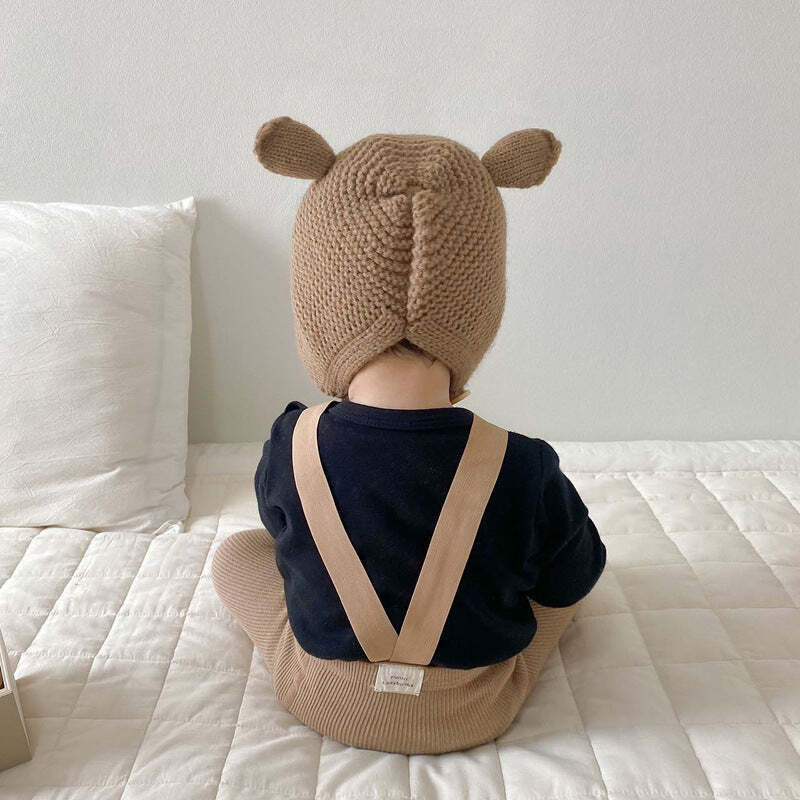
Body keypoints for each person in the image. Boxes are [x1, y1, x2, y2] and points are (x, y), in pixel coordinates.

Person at [211, 117, 607, 755]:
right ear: (479, 311)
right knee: (562, 589)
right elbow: (572, 578)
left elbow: (283, 540)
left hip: (324, 697)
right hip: (476, 709)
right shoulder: (525, 466)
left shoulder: (289, 443)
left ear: (318, 308)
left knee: (238, 554)